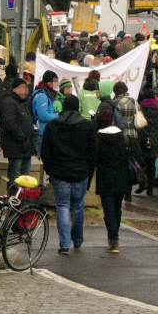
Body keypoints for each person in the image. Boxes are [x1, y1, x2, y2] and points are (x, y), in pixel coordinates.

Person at [41, 95, 98, 255]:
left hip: (60, 171)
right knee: (78, 206)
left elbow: (45, 151)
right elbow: (94, 152)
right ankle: (77, 239)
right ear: (78, 107)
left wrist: (50, 169)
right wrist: (89, 171)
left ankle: (64, 243)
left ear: (63, 107)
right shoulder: (87, 126)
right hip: (81, 171)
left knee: (62, 206)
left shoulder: (52, 126)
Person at [94, 109, 131, 253]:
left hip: (105, 177)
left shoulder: (98, 138)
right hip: (122, 176)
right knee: (117, 208)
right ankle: (115, 236)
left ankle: (113, 238)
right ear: (112, 120)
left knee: (108, 209)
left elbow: (94, 159)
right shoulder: (122, 136)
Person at [0, 78, 35, 191]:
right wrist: (22, 136)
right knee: (15, 177)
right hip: (15, 146)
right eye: (22, 88)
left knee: (26, 177)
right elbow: (9, 122)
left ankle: (23, 200)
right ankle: (13, 200)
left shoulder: (23, 102)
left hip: (26, 146)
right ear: (15, 89)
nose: (25, 91)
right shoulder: (9, 102)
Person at [138, 90, 158, 196]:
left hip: (142, 138)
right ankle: (150, 187)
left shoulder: (140, 109)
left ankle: (141, 183)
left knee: (140, 162)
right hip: (155, 139)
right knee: (151, 164)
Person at [31, 70, 60, 157]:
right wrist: (58, 115)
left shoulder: (49, 94)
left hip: (47, 132)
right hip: (41, 133)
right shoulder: (42, 96)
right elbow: (43, 116)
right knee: (41, 159)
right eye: (55, 81)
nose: (57, 83)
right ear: (49, 82)